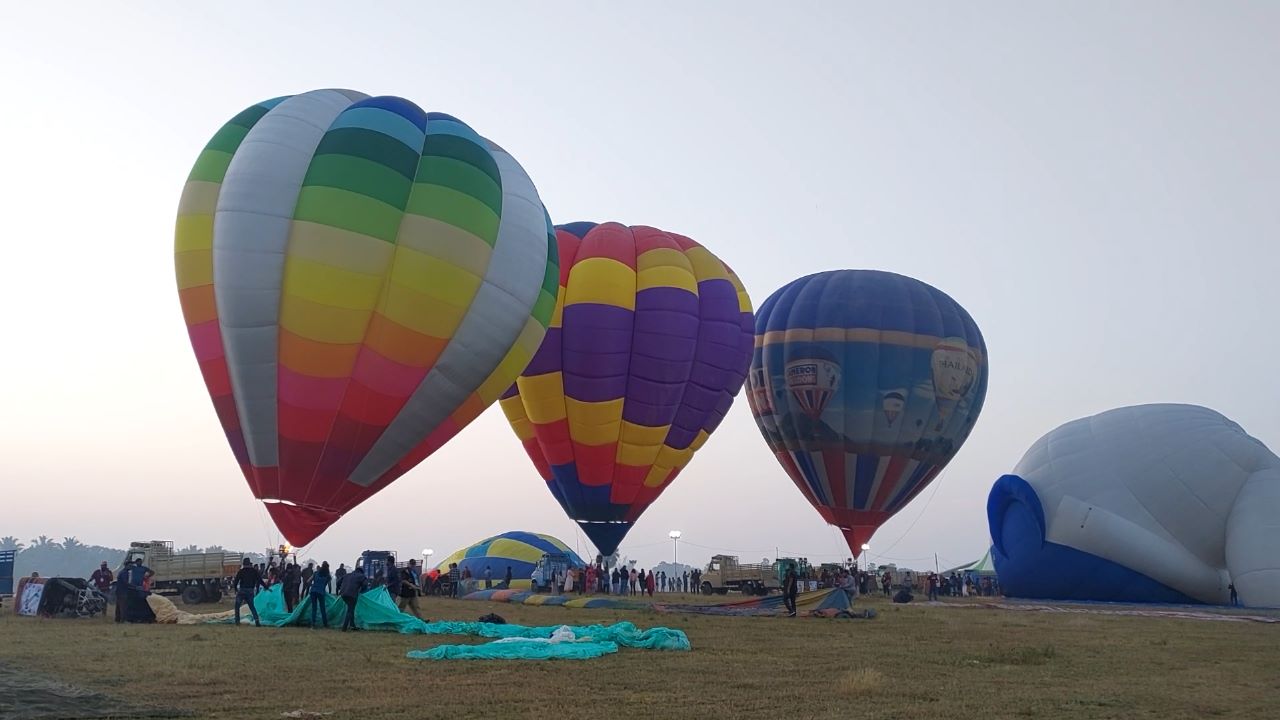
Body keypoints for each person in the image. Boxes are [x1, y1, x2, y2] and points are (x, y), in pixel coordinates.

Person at [232, 558, 268, 626]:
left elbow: (236, 581)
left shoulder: (241, 571)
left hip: (242, 590)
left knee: (237, 606)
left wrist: (236, 589)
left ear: (243, 564)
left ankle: (237, 621)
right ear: (249, 563)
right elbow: (260, 580)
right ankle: (257, 620)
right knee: (252, 606)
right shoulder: (254, 571)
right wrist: (266, 587)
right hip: (250, 591)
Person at [339, 564, 366, 631]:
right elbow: (365, 585)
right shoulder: (362, 576)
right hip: (352, 594)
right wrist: (361, 591)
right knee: (350, 610)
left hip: (343, 594)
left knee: (351, 609)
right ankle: (344, 628)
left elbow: (338, 582)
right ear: (361, 572)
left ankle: (352, 625)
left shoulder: (347, 575)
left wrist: (340, 589)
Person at [308, 561, 331, 628]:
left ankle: (313, 624)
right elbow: (328, 585)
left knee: (314, 608)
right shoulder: (327, 576)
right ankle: (325, 624)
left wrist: (313, 585)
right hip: (321, 592)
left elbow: (308, 581)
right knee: (322, 608)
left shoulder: (316, 573)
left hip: (313, 591)